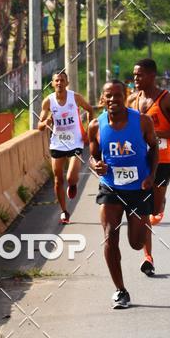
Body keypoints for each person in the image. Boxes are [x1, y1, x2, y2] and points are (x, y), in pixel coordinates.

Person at [89, 80, 158, 309]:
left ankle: (140, 223)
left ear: (124, 96)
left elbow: (154, 148)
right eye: (108, 96)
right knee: (110, 234)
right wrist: (96, 165)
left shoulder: (142, 122)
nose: (113, 100)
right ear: (102, 98)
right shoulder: (95, 126)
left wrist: (151, 176)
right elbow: (93, 155)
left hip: (138, 189)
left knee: (136, 244)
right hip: (111, 187)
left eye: (117, 96)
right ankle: (120, 290)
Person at [129, 58, 170, 276]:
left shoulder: (167, 99)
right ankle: (148, 258)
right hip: (140, 163)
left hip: (162, 161)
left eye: (140, 75)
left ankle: (160, 202)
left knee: (154, 209)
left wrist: (154, 134)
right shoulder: (132, 100)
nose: (136, 78)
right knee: (144, 213)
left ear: (152, 75)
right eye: (134, 75)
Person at [38, 71, 95, 225]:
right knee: (57, 180)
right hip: (57, 142)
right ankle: (64, 212)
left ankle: (73, 184)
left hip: (75, 141)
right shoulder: (48, 102)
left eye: (62, 80)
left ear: (67, 82)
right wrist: (46, 123)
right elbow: (39, 126)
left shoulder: (74, 97)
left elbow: (89, 109)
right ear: (52, 83)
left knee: (70, 177)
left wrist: (89, 129)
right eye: (56, 80)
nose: (59, 83)